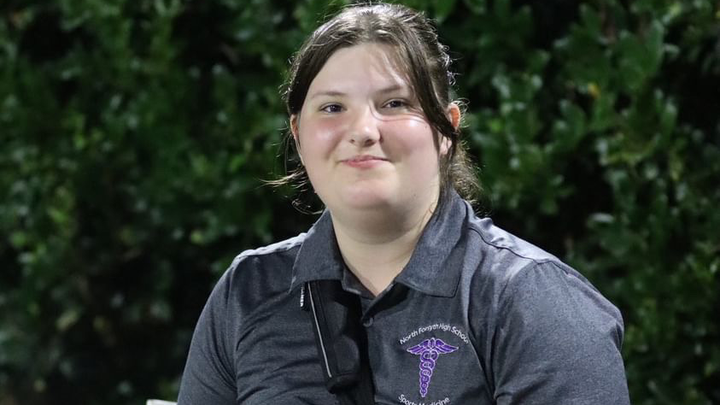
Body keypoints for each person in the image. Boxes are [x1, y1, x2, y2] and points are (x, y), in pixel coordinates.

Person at [177, 3, 631, 405]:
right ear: (298, 135)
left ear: (447, 130)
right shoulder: (248, 292)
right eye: (332, 108)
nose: (362, 130)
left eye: (394, 103)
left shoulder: (531, 300)